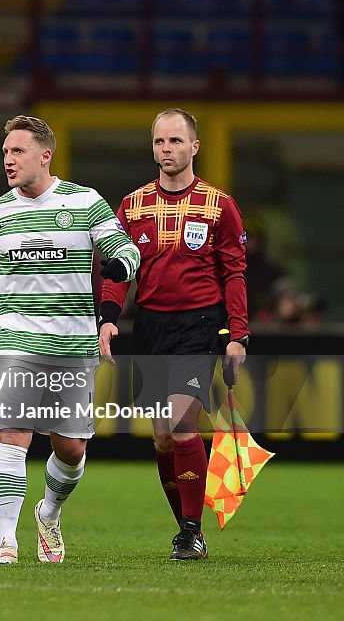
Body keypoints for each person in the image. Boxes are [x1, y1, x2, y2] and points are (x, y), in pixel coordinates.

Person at [0, 115, 139, 565]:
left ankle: (49, 512)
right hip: (14, 340)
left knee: (71, 448)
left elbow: (126, 246)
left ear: (45, 155)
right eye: (5, 152)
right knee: (11, 436)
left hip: (73, 346)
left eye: (17, 151)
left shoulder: (84, 201)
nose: (8, 160)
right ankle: (5, 542)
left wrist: (120, 264)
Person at [98, 108, 249, 561]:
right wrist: (108, 316)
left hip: (199, 325)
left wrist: (237, 334)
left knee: (183, 425)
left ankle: (191, 530)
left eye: (176, 142)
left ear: (195, 147)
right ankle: (184, 525)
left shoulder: (220, 205)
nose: (168, 150)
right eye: (160, 142)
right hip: (150, 325)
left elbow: (235, 272)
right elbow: (116, 268)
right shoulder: (132, 205)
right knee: (163, 437)